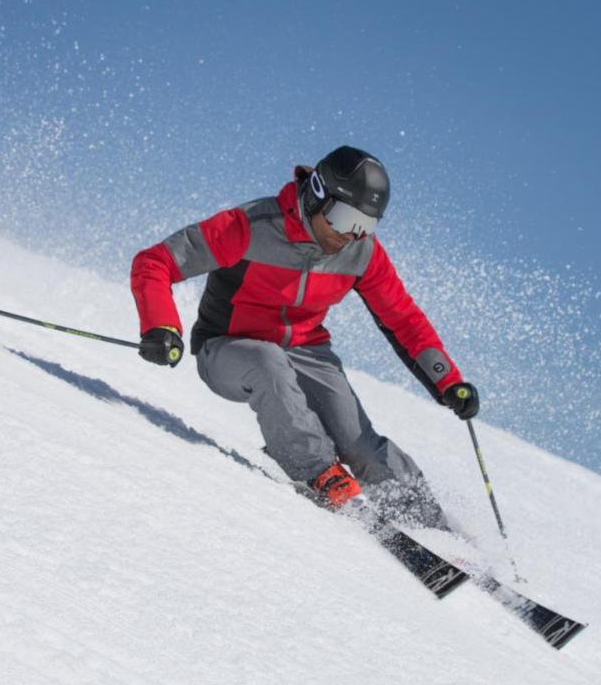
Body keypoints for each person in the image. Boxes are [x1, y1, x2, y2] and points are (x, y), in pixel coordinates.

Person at [130, 146, 479, 528]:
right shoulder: (250, 226)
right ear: (316, 195)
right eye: (345, 217)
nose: (351, 234)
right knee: (268, 364)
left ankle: (431, 524)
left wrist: (448, 380)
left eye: (365, 224)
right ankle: (318, 473)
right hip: (228, 348)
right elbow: (156, 261)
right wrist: (161, 325)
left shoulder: (362, 253)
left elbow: (403, 319)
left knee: (359, 442)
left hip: (307, 350)